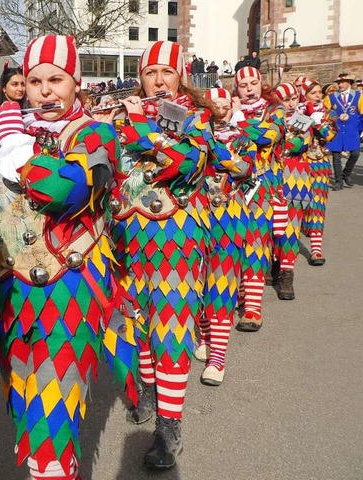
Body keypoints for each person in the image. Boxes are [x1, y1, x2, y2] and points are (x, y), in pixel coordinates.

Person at [0, 34, 120, 479]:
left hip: (67, 293)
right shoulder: (11, 135)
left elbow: (67, 192)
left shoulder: (97, 133)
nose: (45, 91)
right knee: (27, 410)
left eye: (56, 79)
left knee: (53, 418)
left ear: (76, 83)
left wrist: (18, 152)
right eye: (34, 81)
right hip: (8, 295)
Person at [109, 40, 247, 468]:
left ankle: (169, 430)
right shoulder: (124, 115)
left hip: (177, 237)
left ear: (180, 77)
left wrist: (135, 127)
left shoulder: (198, 118)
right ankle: (149, 388)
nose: (158, 81)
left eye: (166, 73)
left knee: (170, 328)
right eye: (150, 73)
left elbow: (182, 164)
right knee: (138, 322)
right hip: (129, 237)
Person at [194, 87, 255, 386]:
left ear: (231, 105)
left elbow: (245, 168)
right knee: (197, 280)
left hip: (228, 216)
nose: (217, 107)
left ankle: (219, 355)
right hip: (194, 214)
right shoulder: (191, 135)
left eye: (222, 102)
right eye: (212, 103)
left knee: (221, 283)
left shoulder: (242, 137)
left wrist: (214, 154)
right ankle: (205, 336)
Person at [230, 66, 287, 332]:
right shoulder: (227, 106)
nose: (250, 88)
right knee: (231, 244)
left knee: (255, 243)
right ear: (236, 88)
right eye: (244, 85)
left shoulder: (274, 109)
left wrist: (237, 120)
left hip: (262, 185)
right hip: (230, 186)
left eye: (254, 83)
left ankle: (252, 307)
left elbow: (269, 135)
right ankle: (233, 297)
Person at [271, 83, 313, 300]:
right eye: (285, 99)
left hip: (294, 180)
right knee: (270, 227)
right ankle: (274, 263)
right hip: (271, 179)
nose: (290, 103)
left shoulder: (304, 121)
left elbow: (297, 144)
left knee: (290, 228)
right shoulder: (270, 119)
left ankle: (287, 274)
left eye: (293, 98)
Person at [300, 80, 336, 266]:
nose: (317, 96)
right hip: (297, 165)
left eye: (318, 92)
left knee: (317, 205)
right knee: (296, 206)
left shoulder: (327, 114)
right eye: (312, 92)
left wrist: (318, 121)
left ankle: (315, 249)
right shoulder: (296, 112)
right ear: (304, 94)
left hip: (319, 163)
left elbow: (330, 135)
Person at [324, 73, 363, 190]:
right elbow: (325, 112)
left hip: (352, 129)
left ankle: (346, 173)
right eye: (338, 83)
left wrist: (359, 128)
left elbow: (362, 113)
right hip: (337, 129)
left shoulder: (358, 96)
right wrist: (332, 117)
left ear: (349, 83)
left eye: (342, 82)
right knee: (336, 156)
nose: (340, 85)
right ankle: (338, 181)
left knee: (355, 153)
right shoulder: (331, 97)